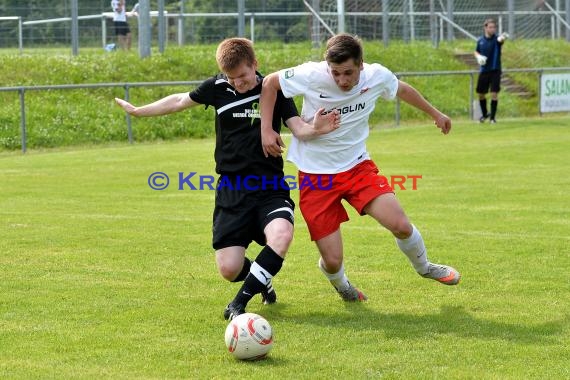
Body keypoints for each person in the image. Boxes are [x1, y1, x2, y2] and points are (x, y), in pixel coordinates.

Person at [114, 38, 339, 320]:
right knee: (229, 269)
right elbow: (179, 101)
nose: (238, 84)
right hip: (231, 190)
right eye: (232, 78)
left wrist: (316, 128)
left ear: (254, 65)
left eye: (243, 76)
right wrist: (138, 111)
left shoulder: (274, 90)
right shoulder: (217, 88)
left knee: (281, 236)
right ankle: (262, 280)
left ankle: (238, 304)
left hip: (269, 187)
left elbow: (299, 129)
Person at [260, 33, 460, 303]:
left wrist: (436, 114)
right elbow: (270, 83)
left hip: (357, 168)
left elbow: (401, 89)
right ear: (326, 66)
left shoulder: (376, 76)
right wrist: (266, 131)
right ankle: (343, 285)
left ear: (361, 65)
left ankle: (425, 267)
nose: (342, 80)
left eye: (348, 73)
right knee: (332, 261)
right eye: (336, 73)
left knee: (400, 224)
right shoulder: (310, 74)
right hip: (315, 176)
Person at [474, 18, 509, 124]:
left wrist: (503, 38)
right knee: (481, 94)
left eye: (494, 27)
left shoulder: (496, 39)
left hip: (495, 70)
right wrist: (479, 57)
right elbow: (476, 51)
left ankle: (492, 118)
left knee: (494, 93)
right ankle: (485, 114)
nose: (493, 29)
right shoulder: (480, 41)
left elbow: (501, 40)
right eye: (490, 27)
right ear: (485, 27)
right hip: (484, 70)